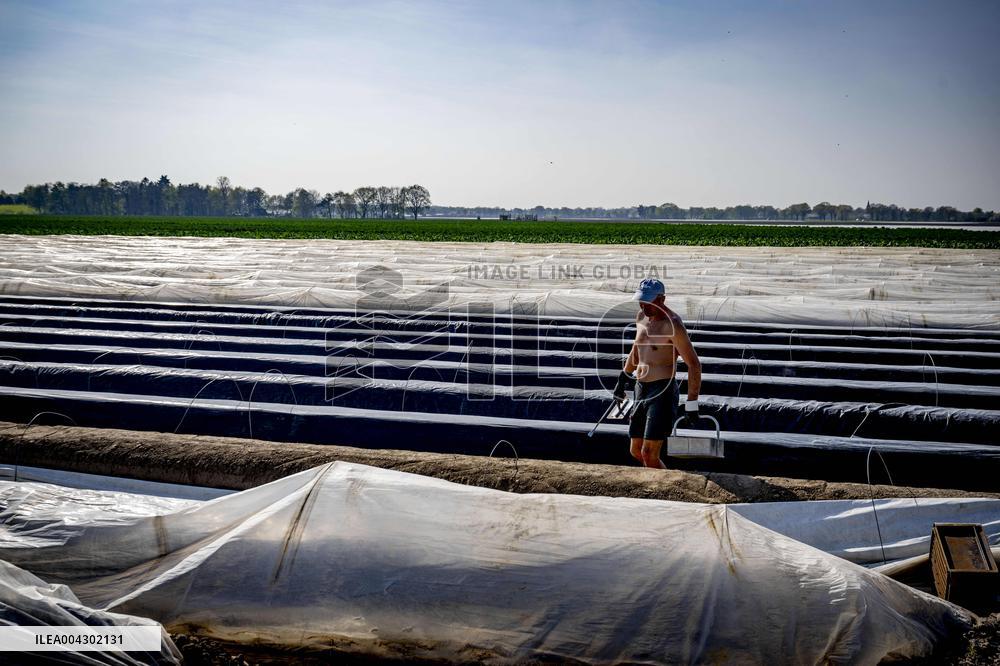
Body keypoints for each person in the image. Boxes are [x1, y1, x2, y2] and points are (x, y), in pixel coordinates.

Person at [612, 278, 702, 468]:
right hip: (640, 388)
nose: (644, 306)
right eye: (641, 301)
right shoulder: (641, 317)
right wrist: (623, 378)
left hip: (662, 390)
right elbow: (636, 350)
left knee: (649, 453)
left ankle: (666, 489)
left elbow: (694, 364)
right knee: (636, 450)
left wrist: (692, 402)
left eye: (648, 302)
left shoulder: (673, 325)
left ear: (662, 299)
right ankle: (658, 482)